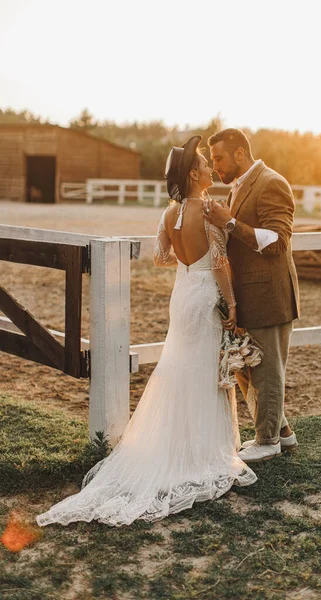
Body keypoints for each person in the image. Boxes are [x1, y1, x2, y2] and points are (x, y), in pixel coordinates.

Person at [36, 135, 256, 528]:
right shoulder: (208, 210)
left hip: (183, 293)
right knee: (203, 371)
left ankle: (176, 445)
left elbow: (160, 257)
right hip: (205, 294)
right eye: (206, 165)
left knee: (178, 366)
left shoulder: (168, 214)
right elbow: (221, 261)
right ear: (194, 174)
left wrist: (188, 264)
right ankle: (201, 454)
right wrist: (233, 304)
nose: (210, 169)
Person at [203, 128, 300, 463]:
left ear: (240, 153)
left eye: (218, 158)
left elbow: (277, 242)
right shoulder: (238, 187)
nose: (214, 166)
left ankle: (268, 441)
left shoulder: (272, 183)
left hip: (269, 297)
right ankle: (283, 434)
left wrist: (229, 224)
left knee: (267, 372)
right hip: (246, 298)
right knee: (248, 368)